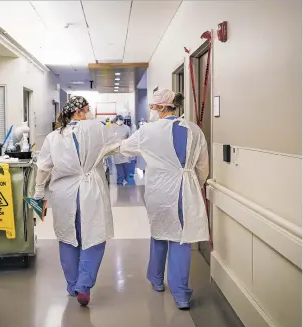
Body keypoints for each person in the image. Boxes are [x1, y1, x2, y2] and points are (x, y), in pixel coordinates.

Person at [120, 89, 209, 309]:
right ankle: (181, 296)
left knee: (159, 232)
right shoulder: (194, 130)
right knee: (181, 238)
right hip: (185, 189)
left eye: (153, 106)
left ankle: (157, 280)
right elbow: (203, 166)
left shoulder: (148, 130)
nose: (151, 110)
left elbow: (126, 148)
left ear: (161, 107)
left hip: (159, 190)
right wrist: (192, 184)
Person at [34, 96, 119, 306]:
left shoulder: (53, 137)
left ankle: (72, 285)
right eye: (87, 109)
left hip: (63, 193)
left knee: (68, 238)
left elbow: (43, 167)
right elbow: (116, 147)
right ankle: (84, 285)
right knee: (94, 236)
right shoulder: (97, 128)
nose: (89, 113)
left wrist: (37, 192)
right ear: (79, 111)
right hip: (91, 191)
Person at [110, 115, 132, 185]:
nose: (120, 121)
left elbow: (130, 138)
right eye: (118, 119)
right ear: (116, 120)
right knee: (118, 165)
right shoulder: (112, 128)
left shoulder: (127, 128)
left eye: (121, 119)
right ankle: (120, 179)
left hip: (125, 148)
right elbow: (110, 138)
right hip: (116, 149)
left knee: (126, 164)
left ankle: (126, 178)